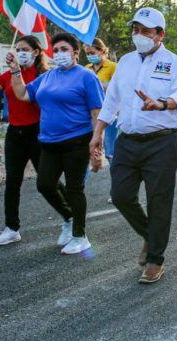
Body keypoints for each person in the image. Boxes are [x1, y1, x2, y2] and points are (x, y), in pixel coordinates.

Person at [90, 7, 177, 284]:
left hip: (161, 142)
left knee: (159, 202)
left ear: (160, 34)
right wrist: (98, 132)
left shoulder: (173, 63)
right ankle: (150, 234)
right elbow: (112, 100)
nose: (139, 35)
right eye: (136, 29)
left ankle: (155, 259)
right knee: (120, 195)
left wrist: (162, 104)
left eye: (146, 31)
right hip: (127, 141)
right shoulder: (125, 62)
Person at [8, 32, 105, 255]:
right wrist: (15, 70)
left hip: (77, 141)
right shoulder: (47, 77)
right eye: (56, 50)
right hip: (49, 142)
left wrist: (96, 146)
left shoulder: (86, 77)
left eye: (64, 49)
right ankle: (69, 218)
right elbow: (22, 94)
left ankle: (80, 237)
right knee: (45, 184)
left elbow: (97, 113)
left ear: (76, 53)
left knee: (74, 189)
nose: (59, 53)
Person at [0, 36, 71, 246]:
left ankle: (70, 216)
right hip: (15, 134)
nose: (20, 53)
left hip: (39, 133)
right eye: (18, 49)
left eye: (25, 49)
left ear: (36, 52)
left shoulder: (44, 75)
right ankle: (12, 228)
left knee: (48, 181)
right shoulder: (9, 74)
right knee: (12, 181)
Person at [85, 38, 118, 162]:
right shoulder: (87, 68)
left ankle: (115, 171)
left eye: (92, 53)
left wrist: (99, 86)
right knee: (90, 147)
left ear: (103, 51)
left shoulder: (113, 67)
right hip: (92, 113)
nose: (90, 56)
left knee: (110, 149)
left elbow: (118, 88)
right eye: (87, 53)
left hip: (110, 113)